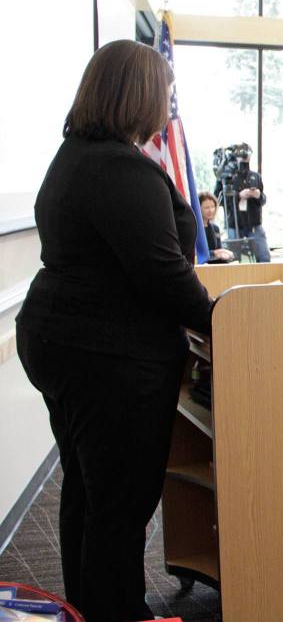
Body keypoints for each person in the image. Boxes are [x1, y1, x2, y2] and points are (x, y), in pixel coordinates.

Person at [15, 40, 213, 621]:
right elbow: (163, 275)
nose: (168, 108)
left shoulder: (77, 154)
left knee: (88, 489)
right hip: (109, 356)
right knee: (120, 502)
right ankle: (118, 611)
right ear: (141, 95)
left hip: (63, 341)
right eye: (166, 95)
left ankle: (89, 606)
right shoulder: (118, 168)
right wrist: (225, 324)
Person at [213, 143, 270, 262]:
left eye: (246, 154)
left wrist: (258, 195)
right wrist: (238, 196)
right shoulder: (226, 178)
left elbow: (263, 200)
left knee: (264, 257)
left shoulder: (255, 176)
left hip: (254, 224)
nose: (244, 158)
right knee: (234, 259)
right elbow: (218, 200)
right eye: (241, 154)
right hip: (234, 224)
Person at [199, 191, 234, 263]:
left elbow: (219, 249)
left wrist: (224, 254)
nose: (210, 210)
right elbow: (198, 254)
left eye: (212, 207)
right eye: (206, 207)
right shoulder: (194, 228)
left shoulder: (215, 228)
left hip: (215, 266)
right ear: (199, 208)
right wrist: (217, 252)